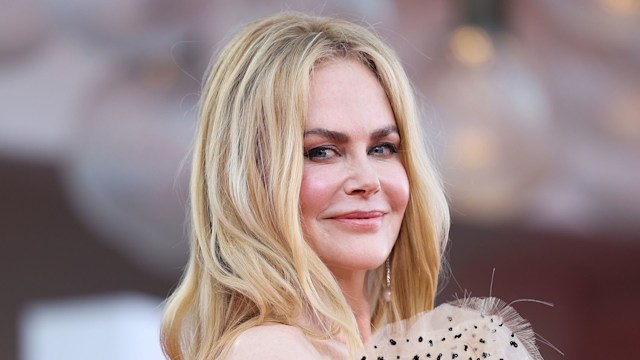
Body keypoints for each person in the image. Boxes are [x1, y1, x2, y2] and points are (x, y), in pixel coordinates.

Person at [161, 12, 541, 360]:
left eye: (382, 148)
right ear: (248, 178)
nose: (367, 181)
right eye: (322, 151)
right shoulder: (268, 350)